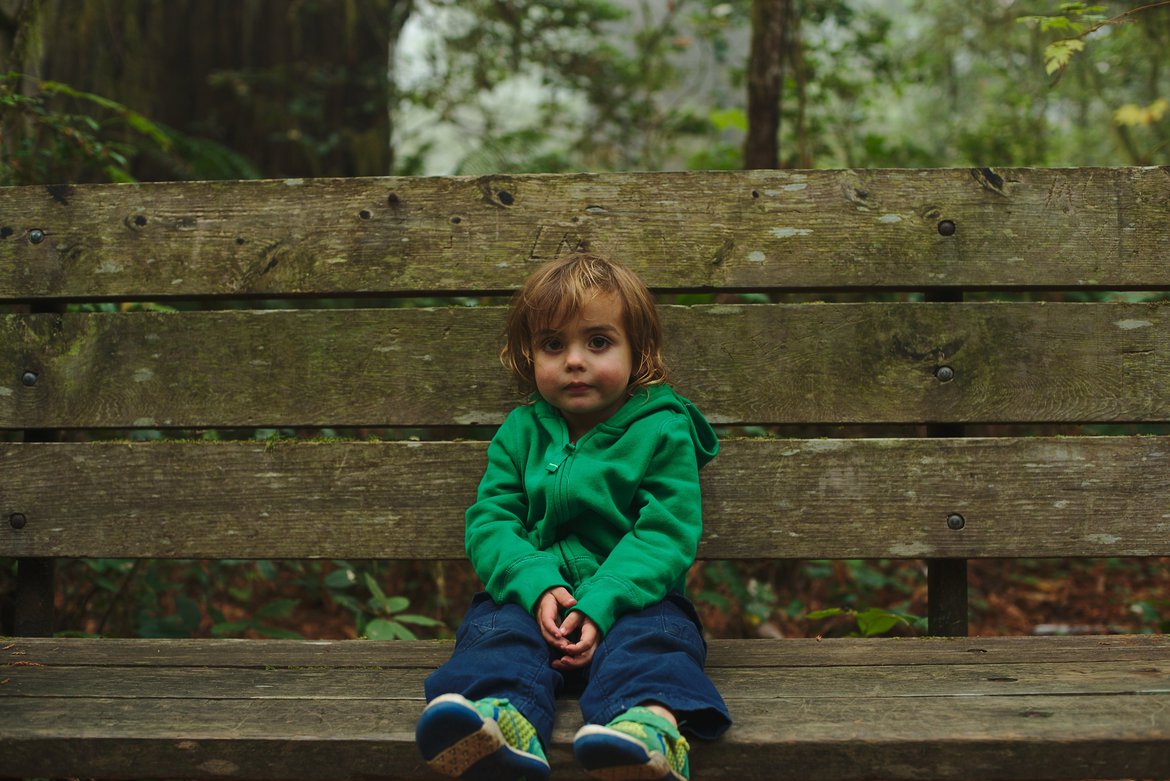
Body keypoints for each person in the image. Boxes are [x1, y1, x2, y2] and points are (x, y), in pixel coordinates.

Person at [415, 252, 730, 781]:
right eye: (553, 345)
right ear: (529, 354)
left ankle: (647, 733)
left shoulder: (661, 431)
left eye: (599, 342)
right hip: (535, 604)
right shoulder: (522, 433)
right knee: (495, 632)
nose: (574, 360)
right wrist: (534, 586)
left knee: (658, 641)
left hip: (636, 601)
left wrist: (604, 600)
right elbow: (491, 521)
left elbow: (666, 532)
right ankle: (498, 725)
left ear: (640, 352)